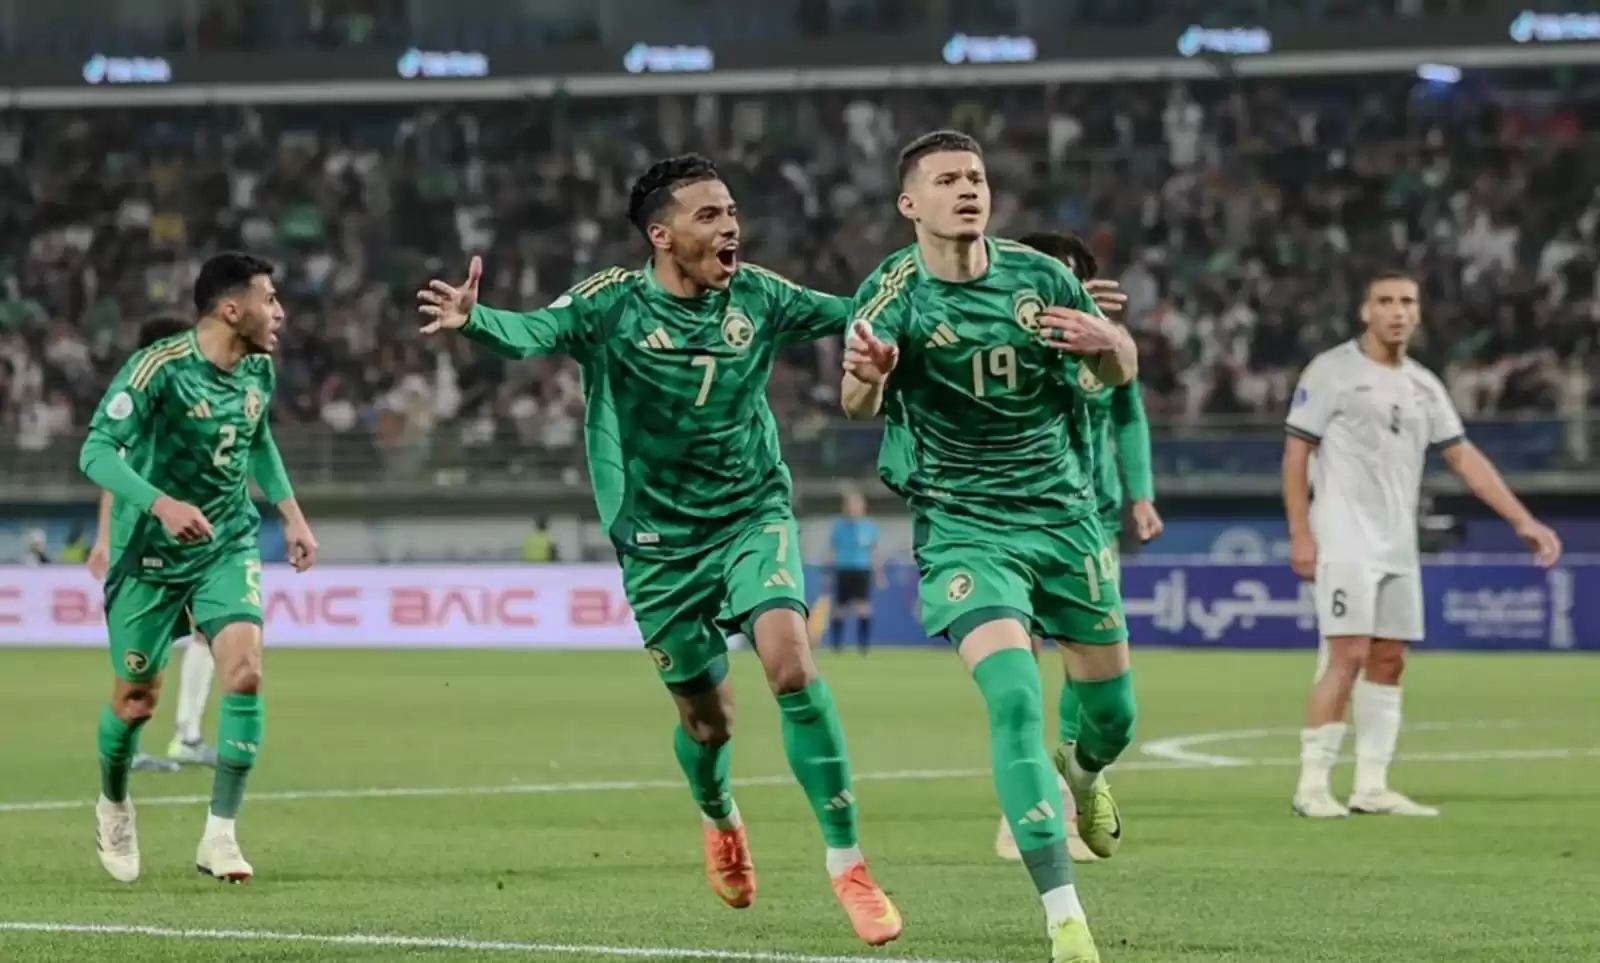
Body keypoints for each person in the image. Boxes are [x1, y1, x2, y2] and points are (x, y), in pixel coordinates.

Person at [416, 154, 902, 947]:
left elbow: (857, 313)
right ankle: (720, 816)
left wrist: (904, 319)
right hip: (656, 540)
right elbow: (536, 331)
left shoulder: (760, 295)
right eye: (709, 215)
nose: (730, 226)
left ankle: (848, 864)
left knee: (791, 664)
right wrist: (477, 321)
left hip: (751, 512)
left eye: (731, 211)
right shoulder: (612, 303)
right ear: (662, 235)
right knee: (709, 723)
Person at [841, 130, 1139, 963]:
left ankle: (1084, 772)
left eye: (975, 176)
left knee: (1114, 717)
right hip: (965, 526)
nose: (967, 188)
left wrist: (1112, 346)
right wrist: (875, 370)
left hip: (1063, 519)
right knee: (1014, 698)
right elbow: (856, 404)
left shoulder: (1041, 277)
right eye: (946, 179)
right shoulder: (892, 293)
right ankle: (1064, 915)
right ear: (910, 203)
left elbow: (1117, 375)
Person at [78, 252, 319, 884]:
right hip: (148, 553)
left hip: (226, 542)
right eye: (270, 299)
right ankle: (113, 803)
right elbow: (95, 452)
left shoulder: (259, 369)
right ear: (232, 309)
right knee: (136, 701)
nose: (280, 312)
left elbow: (258, 439)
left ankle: (220, 836)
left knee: (244, 672)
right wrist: (161, 504)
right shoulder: (158, 369)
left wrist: (292, 516)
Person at [1286, 270, 1562, 819]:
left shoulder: (1423, 384)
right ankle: (1312, 785)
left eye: (1407, 302)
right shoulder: (1332, 371)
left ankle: (1371, 786)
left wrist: (1523, 520)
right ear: (1365, 311)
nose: (1397, 311)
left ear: (1418, 313)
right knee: (1348, 655)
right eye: (1385, 301)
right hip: (1344, 537)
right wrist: (1301, 533)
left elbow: (1463, 457)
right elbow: (1296, 455)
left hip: (1397, 544)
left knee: (1390, 660)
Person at [992, 230, 1164, 865]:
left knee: (1082, 660)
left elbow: (1129, 413)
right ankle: (1023, 807)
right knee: (1017, 667)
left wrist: (1142, 494)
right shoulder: (999, 343)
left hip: (1090, 519)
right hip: (1010, 516)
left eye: (1070, 276)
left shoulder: (1105, 345)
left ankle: (1070, 791)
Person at [87, 317, 222, 775]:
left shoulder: (183, 402)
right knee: (144, 644)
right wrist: (105, 539)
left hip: (184, 542)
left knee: (205, 631)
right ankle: (131, 746)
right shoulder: (140, 401)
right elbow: (113, 473)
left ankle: (187, 736)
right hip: (143, 540)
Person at [827, 488, 880, 653]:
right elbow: (832, 550)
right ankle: (836, 644)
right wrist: (828, 572)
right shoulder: (839, 526)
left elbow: (875, 552)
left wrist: (879, 574)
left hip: (862, 569)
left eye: (857, 505)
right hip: (843, 569)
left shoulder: (870, 527)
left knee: (863, 607)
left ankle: (864, 645)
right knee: (840, 608)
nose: (853, 509)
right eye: (850, 505)